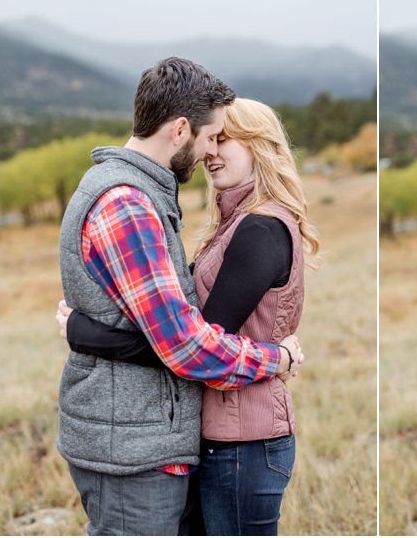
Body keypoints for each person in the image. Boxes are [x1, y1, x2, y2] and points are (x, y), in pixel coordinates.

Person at [55, 57, 303, 536]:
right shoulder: (129, 202)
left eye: (224, 140)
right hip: (131, 443)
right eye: (212, 136)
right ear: (180, 129)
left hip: (148, 439)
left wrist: (86, 333)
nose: (210, 150)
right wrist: (276, 359)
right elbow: (187, 344)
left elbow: (185, 337)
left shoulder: (151, 198)